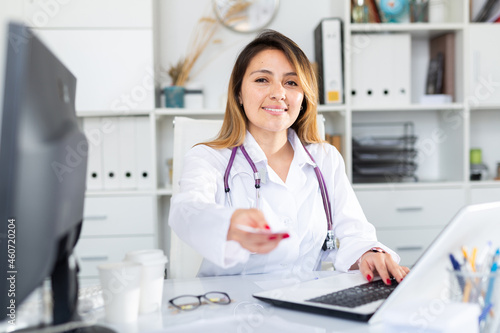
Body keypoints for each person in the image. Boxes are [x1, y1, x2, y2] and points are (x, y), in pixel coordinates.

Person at [169, 30, 409, 284]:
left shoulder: (325, 159)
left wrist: (368, 253)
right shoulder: (209, 158)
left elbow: (355, 232)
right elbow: (186, 210)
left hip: (305, 306)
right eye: (262, 80)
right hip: (231, 309)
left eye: (291, 82)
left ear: (303, 97)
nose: (278, 93)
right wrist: (229, 223)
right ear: (238, 93)